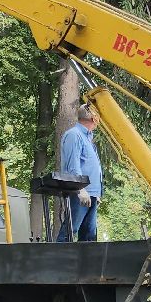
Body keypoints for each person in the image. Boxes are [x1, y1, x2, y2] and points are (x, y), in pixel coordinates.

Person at [58, 103, 104, 242]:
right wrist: (81, 189)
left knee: (89, 236)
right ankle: (56, 261)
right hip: (80, 193)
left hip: (92, 194)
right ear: (93, 118)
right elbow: (73, 165)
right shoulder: (74, 135)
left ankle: (87, 263)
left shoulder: (88, 139)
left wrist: (96, 193)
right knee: (70, 231)